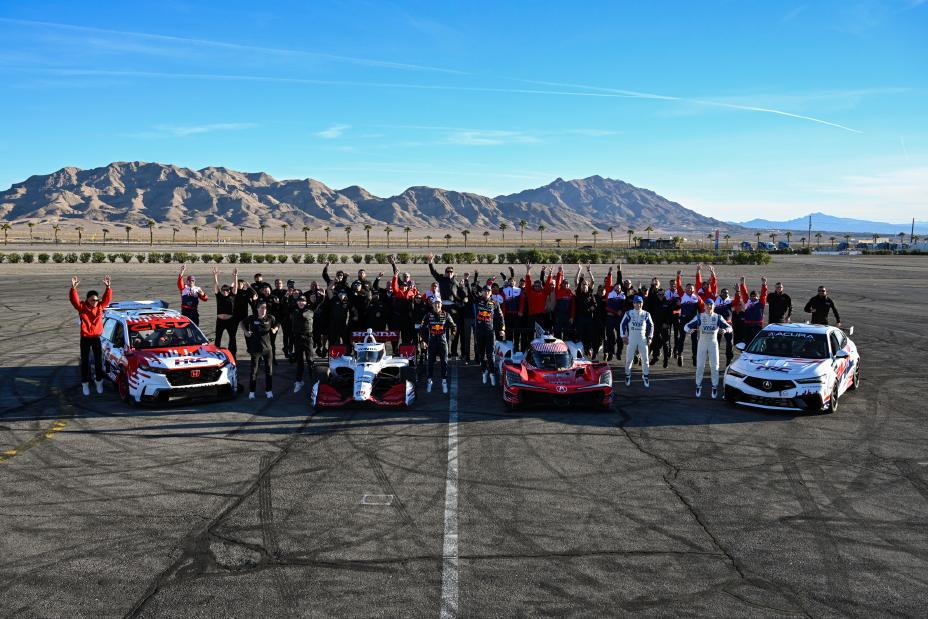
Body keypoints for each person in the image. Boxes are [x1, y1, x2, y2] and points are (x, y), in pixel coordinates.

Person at [69, 275, 112, 396]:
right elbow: (74, 300)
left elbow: (106, 300)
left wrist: (108, 287)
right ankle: (85, 384)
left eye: (96, 300)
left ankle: (99, 382)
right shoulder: (82, 307)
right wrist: (73, 288)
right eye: (92, 300)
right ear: (87, 300)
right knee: (85, 362)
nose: (95, 302)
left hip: (96, 339)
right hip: (85, 339)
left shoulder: (100, 307)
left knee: (99, 362)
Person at [684, 298, 733, 399]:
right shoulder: (699, 316)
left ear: (713, 306)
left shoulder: (718, 317)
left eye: (711, 305)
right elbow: (686, 326)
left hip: (713, 344)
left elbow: (730, 327)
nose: (709, 307)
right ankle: (698, 385)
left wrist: (725, 330)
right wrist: (689, 330)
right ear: (704, 306)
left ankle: (714, 387)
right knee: (700, 366)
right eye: (707, 305)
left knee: (715, 367)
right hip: (702, 344)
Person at [241, 300, 278, 399]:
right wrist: (246, 331)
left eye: (265, 307)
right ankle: (252, 392)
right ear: (257, 309)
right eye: (261, 307)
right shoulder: (252, 318)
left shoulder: (270, 318)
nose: (263, 309)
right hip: (255, 349)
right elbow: (242, 323)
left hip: (267, 349)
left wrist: (275, 329)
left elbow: (277, 324)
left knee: (269, 370)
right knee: (254, 371)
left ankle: (268, 390)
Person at [419, 298, 456, 394]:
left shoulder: (446, 315)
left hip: (443, 341)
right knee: (430, 362)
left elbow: (453, 326)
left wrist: (453, 333)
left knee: (444, 361)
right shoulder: (428, 315)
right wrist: (423, 340)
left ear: (441, 305)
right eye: (435, 304)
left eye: (439, 304)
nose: (437, 306)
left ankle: (444, 381)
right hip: (432, 342)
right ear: (432, 305)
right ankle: (429, 381)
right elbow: (422, 328)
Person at [472, 285, 505, 385]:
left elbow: (500, 317)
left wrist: (502, 329)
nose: (486, 292)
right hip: (479, 331)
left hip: (490, 332)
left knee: (490, 355)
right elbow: (471, 291)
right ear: (482, 292)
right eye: (485, 291)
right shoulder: (477, 300)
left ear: (491, 293)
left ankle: (492, 374)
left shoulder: (495, 303)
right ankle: (484, 372)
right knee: (481, 354)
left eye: (488, 291)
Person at [619, 295, 654, 388]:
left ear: (642, 304)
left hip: (643, 339)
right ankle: (627, 375)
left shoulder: (646, 314)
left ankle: (645, 376)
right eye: (636, 303)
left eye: (640, 303)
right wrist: (623, 336)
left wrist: (650, 337)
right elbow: (622, 324)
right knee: (629, 359)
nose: (638, 305)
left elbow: (651, 325)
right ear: (633, 304)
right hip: (631, 339)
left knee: (645, 359)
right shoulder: (629, 313)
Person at [212, 267, 239, 359]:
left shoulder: (232, 296)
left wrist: (235, 276)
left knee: (232, 337)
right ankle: (216, 354)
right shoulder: (218, 296)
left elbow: (235, 286)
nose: (225, 291)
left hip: (230, 320)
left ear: (229, 290)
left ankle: (233, 355)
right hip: (220, 321)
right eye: (223, 290)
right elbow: (216, 285)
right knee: (218, 337)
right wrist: (215, 276)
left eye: (227, 290)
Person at [290, 295, 314, 393]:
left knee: (310, 360)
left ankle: (313, 381)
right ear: (297, 302)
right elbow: (295, 316)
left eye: (303, 301)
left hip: (308, 338)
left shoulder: (309, 311)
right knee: (299, 361)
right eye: (299, 301)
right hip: (298, 339)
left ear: (306, 302)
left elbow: (305, 315)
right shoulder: (295, 311)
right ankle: (299, 381)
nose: (301, 303)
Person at [739, 276, 768, 344]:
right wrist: (742, 283)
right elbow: (744, 293)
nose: (753, 297)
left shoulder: (761, 302)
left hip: (757, 325)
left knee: (757, 341)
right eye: (752, 296)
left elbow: (764, 294)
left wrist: (764, 284)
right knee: (747, 341)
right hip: (747, 325)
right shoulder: (747, 301)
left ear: (757, 297)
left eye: (755, 296)